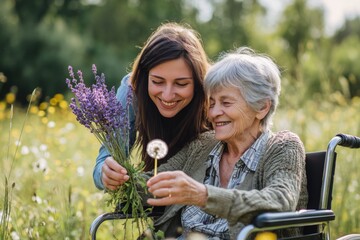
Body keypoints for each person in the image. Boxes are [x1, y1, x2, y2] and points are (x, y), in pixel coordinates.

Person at [143, 47, 308, 239]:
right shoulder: (204, 144)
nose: (213, 113)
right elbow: (154, 181)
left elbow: (280, 202)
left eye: (226, 103)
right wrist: (121, 179)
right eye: (212, 103)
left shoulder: (283, 147)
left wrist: (204, 196)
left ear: (262, 107)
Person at [93, 22, 211, 190]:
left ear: (199, 82)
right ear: (144, 76)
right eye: (157, 81)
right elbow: (104, 161)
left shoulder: (213, 92)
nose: (168, 95)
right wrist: (105, 173)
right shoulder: (131, 91)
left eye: (181, 84)